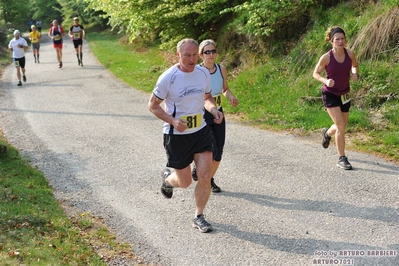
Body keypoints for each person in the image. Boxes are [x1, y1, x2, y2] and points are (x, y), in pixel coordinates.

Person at [148, 38, 224, 233]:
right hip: (177, 135)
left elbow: (207, 98)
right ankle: (168, 180)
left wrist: (214, 110)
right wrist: (172, 120)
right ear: (178, 55)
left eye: (193, 55)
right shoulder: (168, 77)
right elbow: (153, 106)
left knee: (205, 175)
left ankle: (199, 216)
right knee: (185, 181)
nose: (191, 59)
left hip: (200, 131)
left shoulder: (202, 73)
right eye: (186, 55)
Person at [191, 39, 239, 193]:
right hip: (203, 112)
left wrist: (230, 96)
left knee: (219, 151)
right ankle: (197, 167)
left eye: (213, 51)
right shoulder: (196, 71)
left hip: (218, 112)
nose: (211, 55)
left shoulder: (221, 69)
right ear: (200, 55)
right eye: (207, 52)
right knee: (208, 148)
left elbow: (225, 89)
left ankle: (209, 179)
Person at [312, 26, 359, 170]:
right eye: (337, 39)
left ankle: (326, 133)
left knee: (342, 126)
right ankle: (342, 158)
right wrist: (325, 81)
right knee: (341, 126)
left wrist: (354, 73)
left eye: (342, 38)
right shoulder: (326, 57)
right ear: (332, 41)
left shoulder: (350, 53)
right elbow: (315, 73)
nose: (340, 41)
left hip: (345, 94)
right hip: (330, 94)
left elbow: (354, 65)